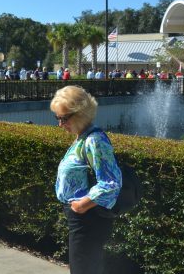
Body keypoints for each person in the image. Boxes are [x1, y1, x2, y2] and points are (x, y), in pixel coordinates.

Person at [51, 85, 122, 274]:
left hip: (87, 217)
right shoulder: (82, 138)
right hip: (81, 217)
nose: (60, 124)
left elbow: (111, 183)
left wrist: (81, 205)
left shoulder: (94, 140)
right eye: (57, 118)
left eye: (64, 118)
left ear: (80, 114)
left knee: (83, 269)